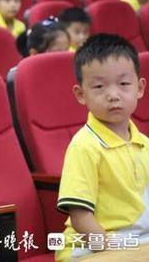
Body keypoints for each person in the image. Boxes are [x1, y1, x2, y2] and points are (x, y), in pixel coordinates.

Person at [56, 34, 149, 261]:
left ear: (139, 88)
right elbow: (81, 218)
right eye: (99, 86)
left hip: (136, 244)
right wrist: (117, 254)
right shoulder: (84, 146)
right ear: (81, 95)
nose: (113, 95)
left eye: (124, 84)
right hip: (90, 248)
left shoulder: (145, 143)